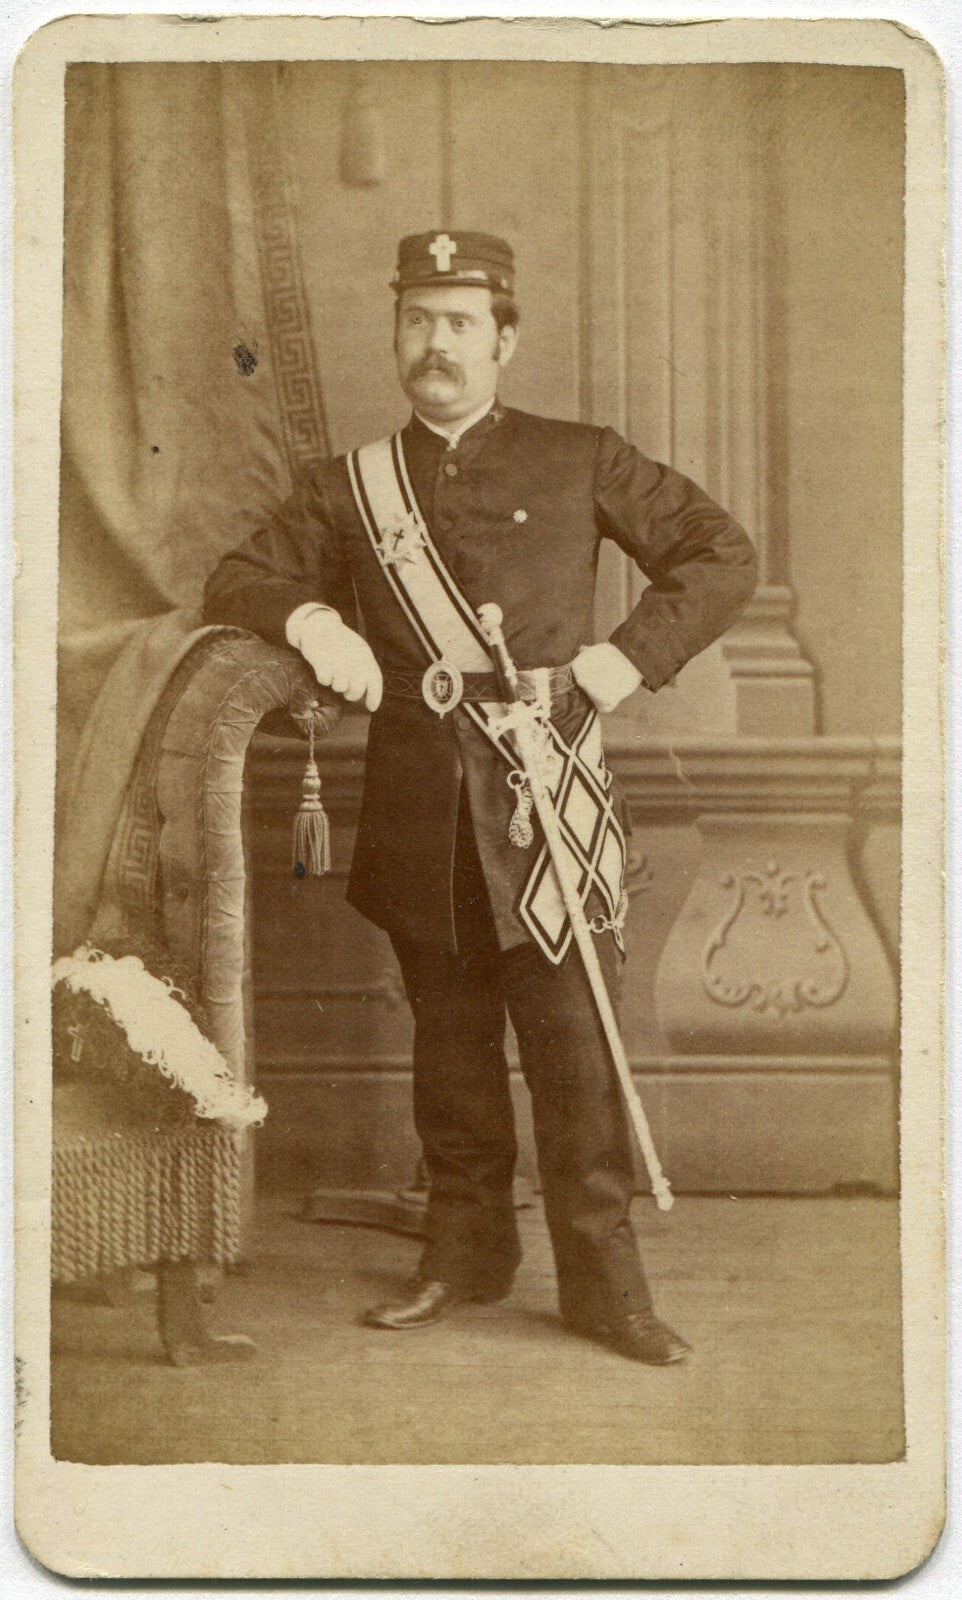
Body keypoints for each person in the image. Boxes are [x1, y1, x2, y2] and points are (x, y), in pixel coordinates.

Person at [204, 230, 757, 1364]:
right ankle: (462, 1257)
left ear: (504, 339)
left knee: (571, 1050)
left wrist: (625, 658)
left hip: (543, 797)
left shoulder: (579, 455)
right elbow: (240, 576)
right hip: (419, 805)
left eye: (459, 322)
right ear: (397, 335)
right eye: (417, 320)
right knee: (449, 1053)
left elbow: (717, 551)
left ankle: (605, 1289)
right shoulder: (350, 486)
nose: (435, 344)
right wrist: (311, 619)